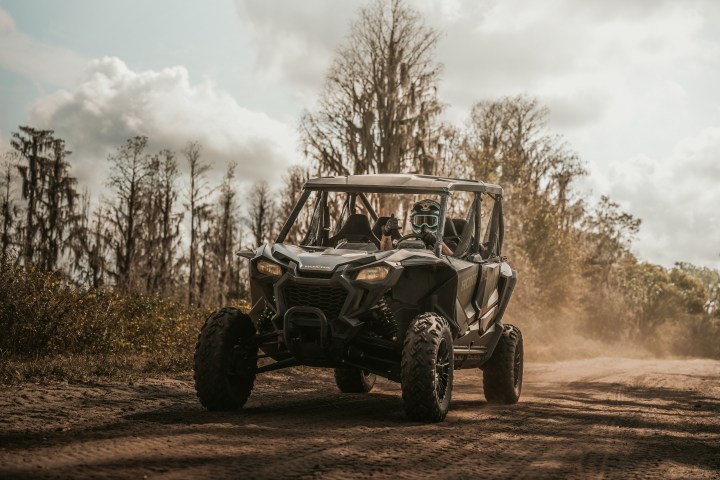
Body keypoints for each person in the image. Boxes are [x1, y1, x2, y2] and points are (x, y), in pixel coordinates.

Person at [380, 199, 454, 255]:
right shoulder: (408, 244)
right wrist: (386, 234)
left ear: (440, 222)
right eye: (419, 221)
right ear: (412, 221)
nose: (424, 226)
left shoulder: (449, 244)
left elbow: (454, 260)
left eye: (430, 221)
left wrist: (437, 242)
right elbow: (387, 255)